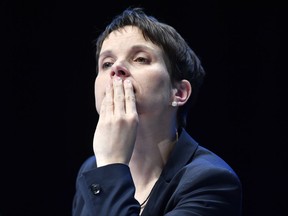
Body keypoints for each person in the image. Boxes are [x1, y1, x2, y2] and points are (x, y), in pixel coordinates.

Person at [72, 7, 242, 216]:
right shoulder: (91, 168)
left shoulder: (211, 183)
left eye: (140, 59)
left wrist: (111, 165)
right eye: (106, 63)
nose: (117, 68)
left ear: (179, 93)